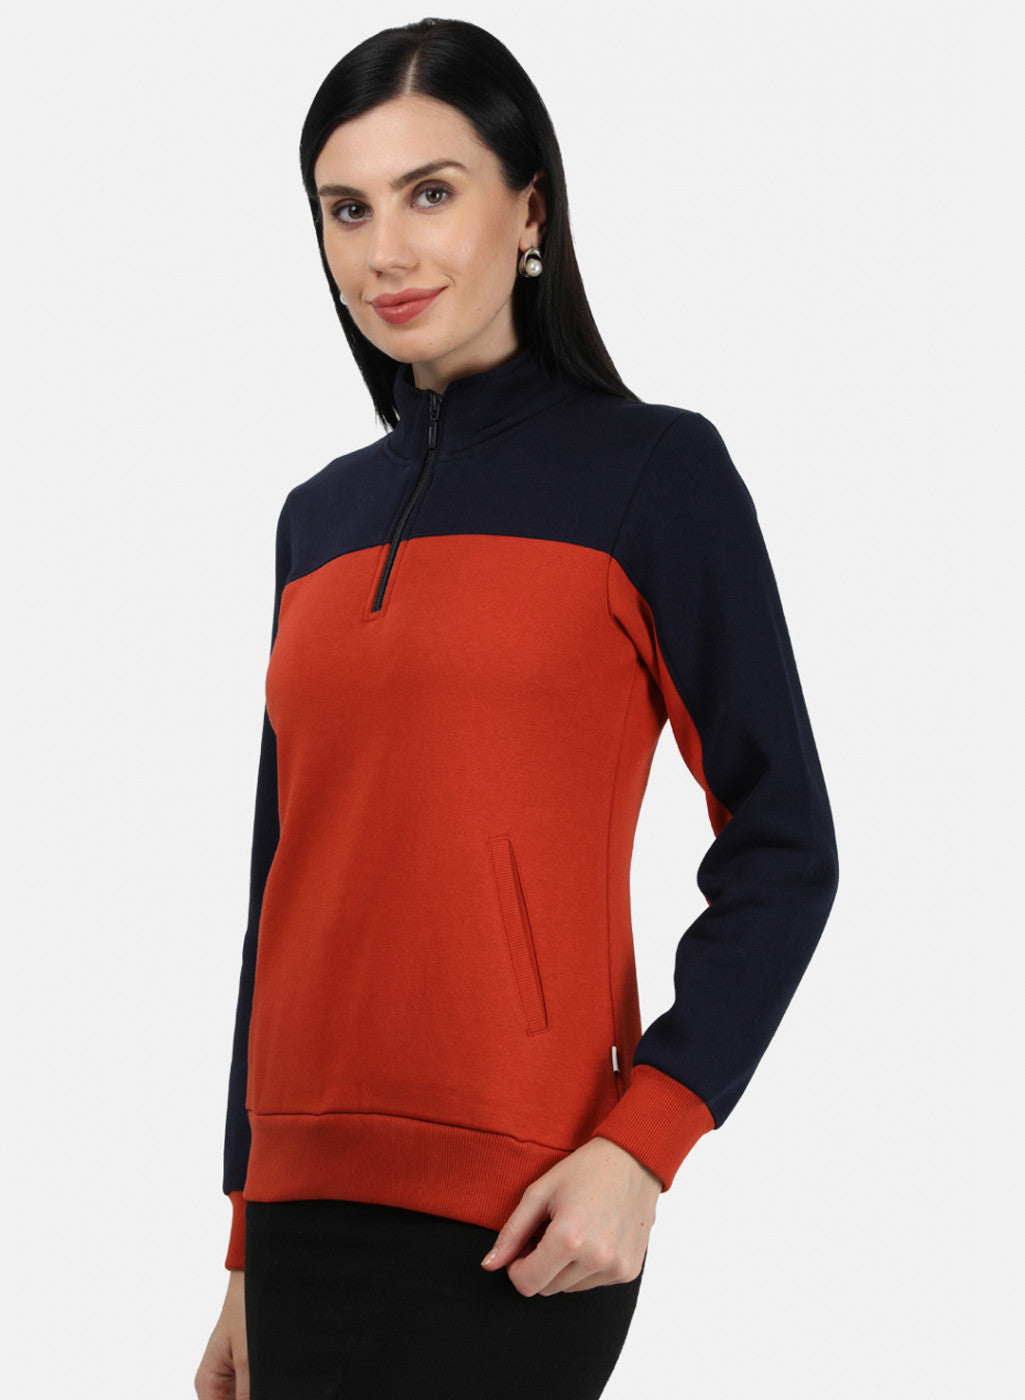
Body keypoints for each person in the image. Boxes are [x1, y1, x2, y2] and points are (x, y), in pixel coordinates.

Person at [194, 16, 839, 1400]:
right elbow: (280, 879)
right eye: (346, 209)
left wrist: (643, 1143)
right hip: (300, 1205)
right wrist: (243, 1236)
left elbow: (785, 840)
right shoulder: (316, 520)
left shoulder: (653, 474)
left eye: (430, 193)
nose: (386, 251)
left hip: (524, 1207)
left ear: (529, 207)